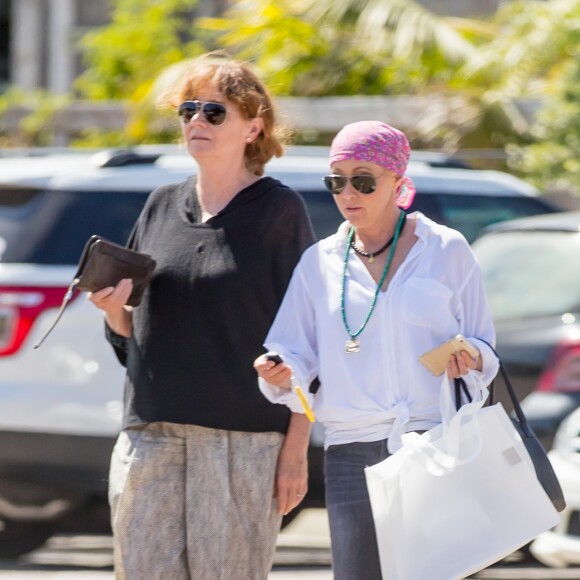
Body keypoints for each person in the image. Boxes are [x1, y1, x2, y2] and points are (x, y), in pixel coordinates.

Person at [89, 52, 315, 580]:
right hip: (151, 434)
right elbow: (135, 335)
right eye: (188, 110)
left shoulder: (279, 212)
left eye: (215, 112)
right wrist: (113, 312)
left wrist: (296, 451)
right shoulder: (161, 204)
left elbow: (310, 342)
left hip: (242, 441)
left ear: (253, 125)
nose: (196, 121)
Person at [254, 120, 499, 580]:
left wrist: (473, 357)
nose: (349, 193)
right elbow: (294, 350)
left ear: (397, 182)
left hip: (434, 443)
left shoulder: (446, 249)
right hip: (351, 449)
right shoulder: (318, 262)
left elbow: (485, 342)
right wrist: (282, 371)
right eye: (337, 181)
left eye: (363, 181)